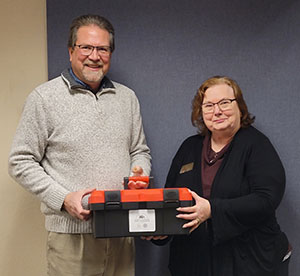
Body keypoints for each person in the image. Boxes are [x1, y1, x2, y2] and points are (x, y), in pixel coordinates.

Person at [8, 14, 151, 276]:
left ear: (110, 53)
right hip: (71, 239)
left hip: (122, 231)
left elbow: (139, 150)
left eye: (102, 49)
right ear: (71, 50)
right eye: (86, 47)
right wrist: (63, 199)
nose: (94, 56)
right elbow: (20, 161)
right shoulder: (44, 98)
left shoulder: (127, 98)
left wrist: (138, 173)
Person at [150, 76, 290, 276]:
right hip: (193, 262)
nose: (217, 111)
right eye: (208, 105)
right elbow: (170, 200)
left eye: (224, 103)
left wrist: (212, 209)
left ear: (239, 106)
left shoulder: (257, 145)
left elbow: (267, 199)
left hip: (247, 261)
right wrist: (161, 229)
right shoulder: (189, 148)